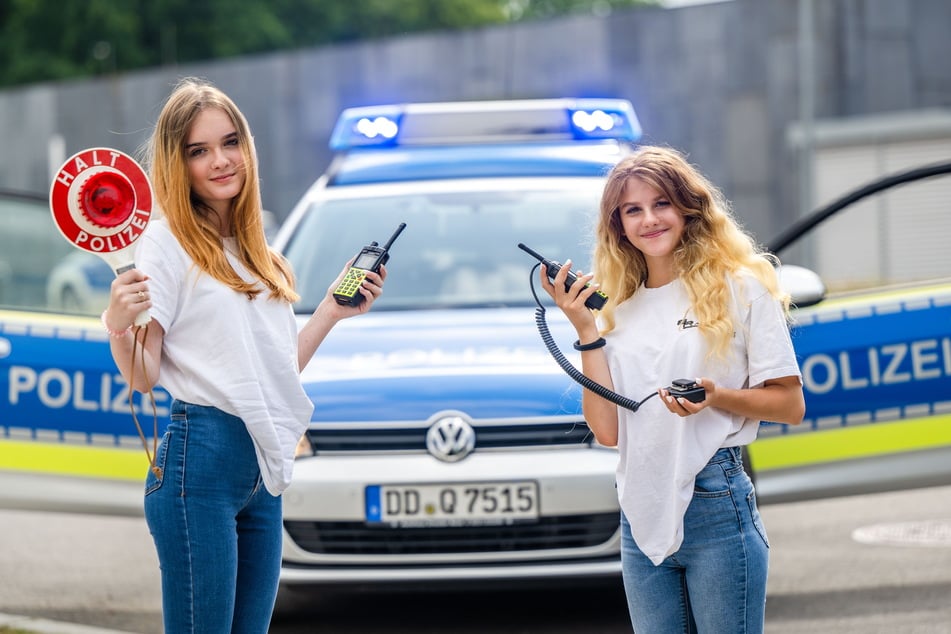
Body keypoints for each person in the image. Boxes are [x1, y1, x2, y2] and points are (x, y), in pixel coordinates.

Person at [100, 77, 386, 633]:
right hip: (199, 463)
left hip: (263, 466)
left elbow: (270, 376)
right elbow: (143, 374)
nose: (221, 160)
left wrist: (329, 310)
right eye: (198, 150)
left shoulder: (262, 254)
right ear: (175, 163)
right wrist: (117, 322)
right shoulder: (165, 242)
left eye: (230, 142)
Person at [540, 145, 804, 633]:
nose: (649, 220)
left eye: (661, 203)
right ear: (617, 225)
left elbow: (789, 403)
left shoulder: (742, 287)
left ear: (687, 207)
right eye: (632, 210)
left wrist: (716, 396)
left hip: (716, 500)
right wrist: (584, 329)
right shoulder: (615, 307)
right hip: (640, 509)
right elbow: (607, 431)